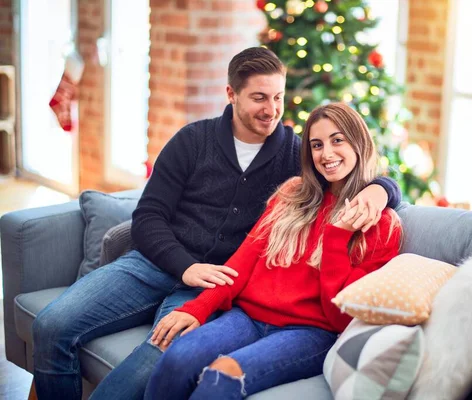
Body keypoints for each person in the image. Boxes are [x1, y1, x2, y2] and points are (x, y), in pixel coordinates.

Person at [31, 47, 400, 400]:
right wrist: (185, 266)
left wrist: (382, 189)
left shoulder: (296, 153)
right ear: (231, 94)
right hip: (155, 265)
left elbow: (347, 166)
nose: (271, 110)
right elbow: (147, 217)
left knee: (162, 348)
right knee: (51, 325)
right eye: (259, 97)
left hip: (217, 281)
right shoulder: (194, 141)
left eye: (278, 98)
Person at [144, 102, 403, 400]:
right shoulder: (292, 194)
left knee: (221, 378)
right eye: (316, 145)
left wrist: (336, 237)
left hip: (310, 333)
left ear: (359, 143)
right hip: (248, 317)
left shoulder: (380, 225)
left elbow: (340, 318)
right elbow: (244, 259)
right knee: (177, 357)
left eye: (337, 140)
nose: (326, 154)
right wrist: (198, 308)